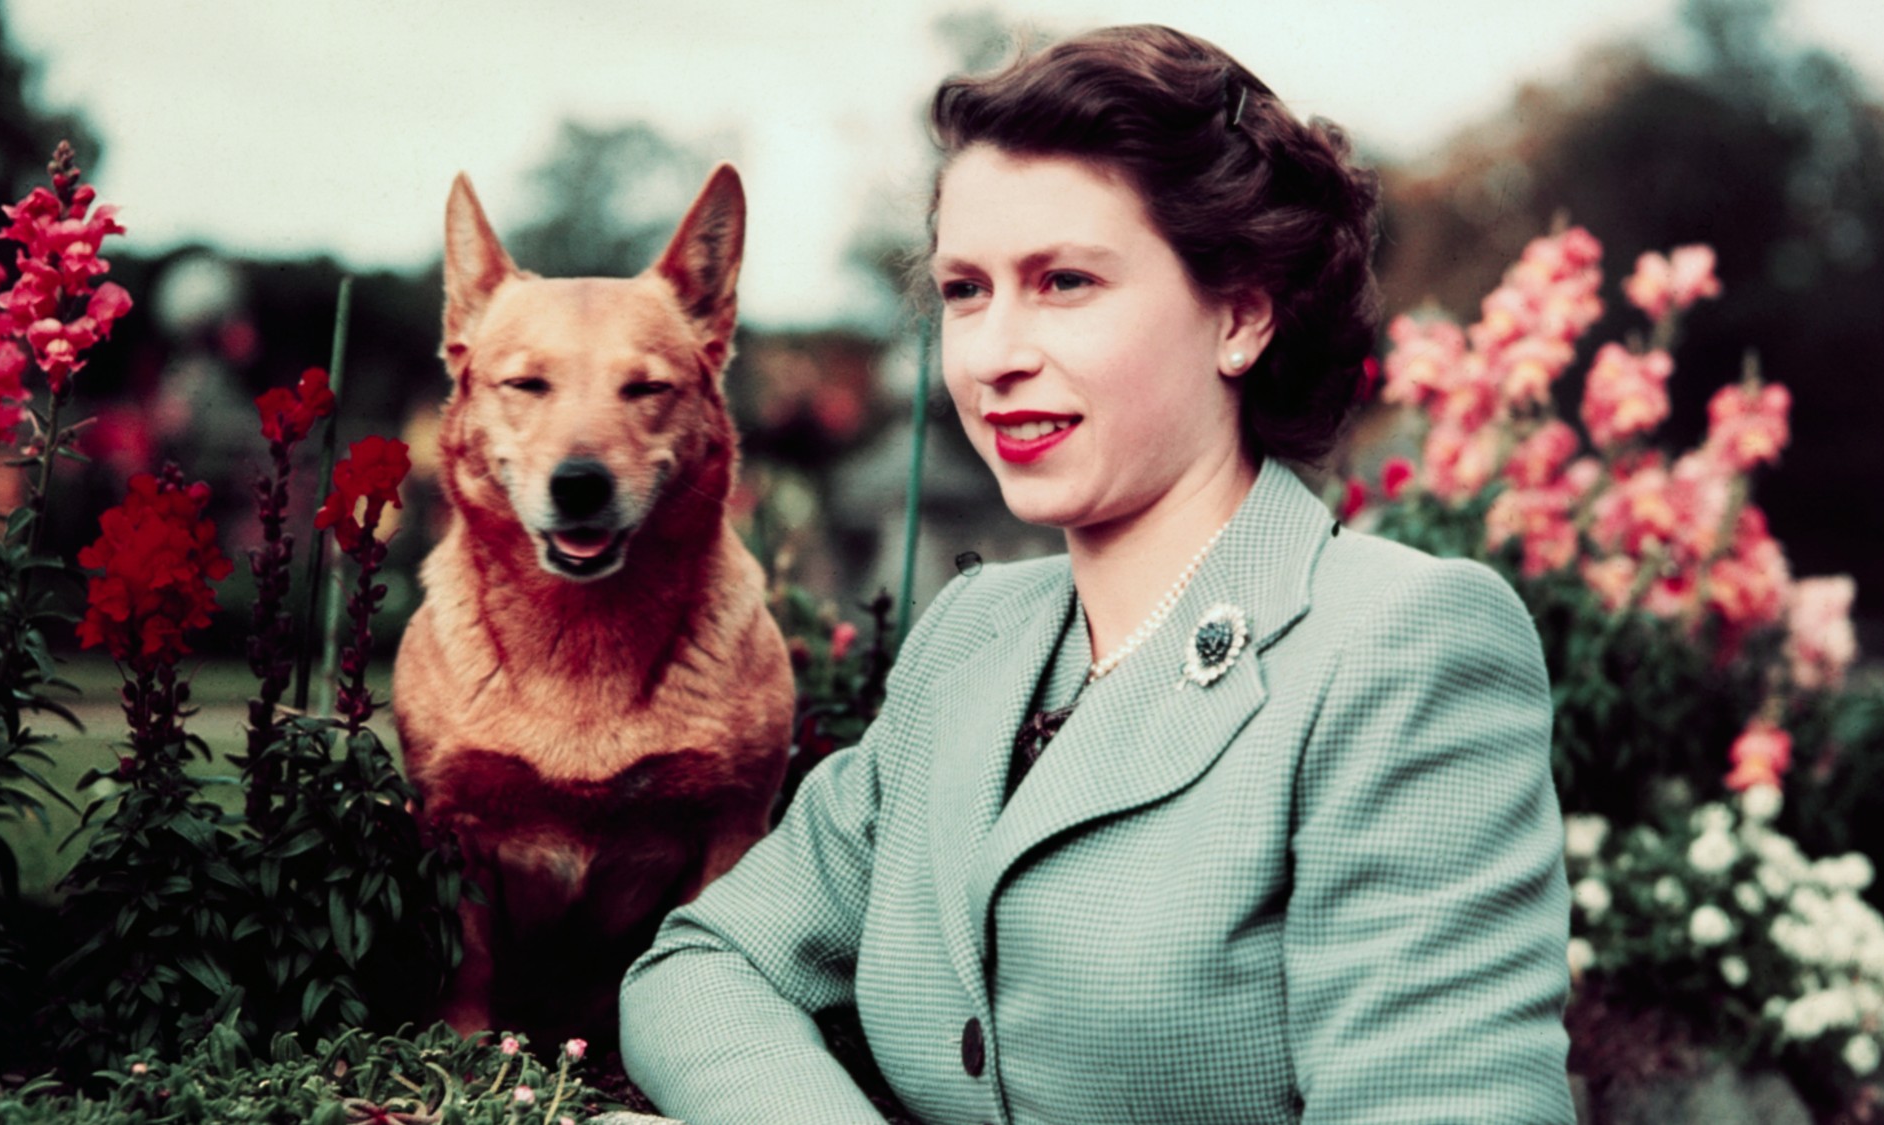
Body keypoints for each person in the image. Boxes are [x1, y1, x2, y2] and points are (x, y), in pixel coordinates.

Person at [620, 24, 1574, 1124]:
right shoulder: (971, 637)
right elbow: (702, 968)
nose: (991, 352)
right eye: (965, 291)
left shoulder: (1403, 644)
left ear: (1240, 313)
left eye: (1063, 281)